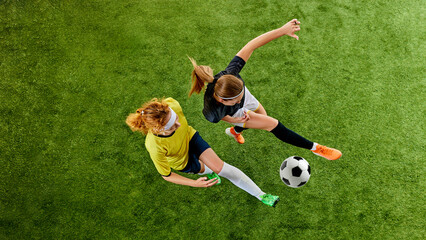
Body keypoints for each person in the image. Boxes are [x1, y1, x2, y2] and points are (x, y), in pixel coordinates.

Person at [188, 19, 342, 160]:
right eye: (237, 99)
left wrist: (282, 30)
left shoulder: (230, 73)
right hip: (235, 113)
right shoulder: (212, 110)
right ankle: (316, 148)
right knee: (272, 124)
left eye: (241, 95)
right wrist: (236, 119)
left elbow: (251, 45)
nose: (241, 100)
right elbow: (222, 116)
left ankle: (235, 131)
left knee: (263, 115)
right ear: (222, 100)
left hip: (236, 99)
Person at [126, 97, 279, 207]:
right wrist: (194, 183)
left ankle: (261, 195)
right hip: (182, 161)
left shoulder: (172, 105)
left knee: (221, 169)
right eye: (173, 127)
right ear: (159, 129)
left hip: (191, 138)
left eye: (177, 119)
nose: (179, 125)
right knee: (209, 170)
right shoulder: (154, 146)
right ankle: (207, 172)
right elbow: (166, 175)